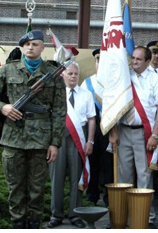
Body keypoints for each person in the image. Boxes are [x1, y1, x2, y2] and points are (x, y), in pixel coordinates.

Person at [0, 30, 67, 229]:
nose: (30, 47)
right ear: (21, 47)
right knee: (15, 188)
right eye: (26, 45)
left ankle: (34, 225)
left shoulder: (52, 73)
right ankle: (17, 224)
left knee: (37, 190)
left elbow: (60, 110)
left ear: (43, 47)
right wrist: (3, 107)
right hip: (13, 138)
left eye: (35, 44)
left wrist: (55, 142)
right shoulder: (8, 70)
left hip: (41, 139)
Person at [109, 46, 158, 228]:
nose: (134, 61)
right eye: (133, 58)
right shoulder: (124, 77)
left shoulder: (156, 79)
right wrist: (113, 131)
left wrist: (155, 135)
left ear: (148, 61)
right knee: (123, 176)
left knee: (144, 176)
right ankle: (122, 217)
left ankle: (146, 217)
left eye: (138, 59)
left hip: (145, 133)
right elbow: (113, 103)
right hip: (124, 131)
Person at [48, 62, 96, 228]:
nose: (73, 76)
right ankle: (56, 215)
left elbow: (91, 119)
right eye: (70, 73)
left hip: (79, 138)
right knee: (57, 178)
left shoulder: (86, 94)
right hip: (59, 138)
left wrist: (90, 140)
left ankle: (75, 214)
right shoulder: (55, 94)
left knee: (77, 178)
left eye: (76, 73)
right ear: (63, 75)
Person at [84, 48, 113, 206]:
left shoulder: (114, 82)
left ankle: (109, 197)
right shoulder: (87, 83)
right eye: (98, 60)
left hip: (110, 130)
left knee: (109, 166)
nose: (100, 63)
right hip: (93, 131)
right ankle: (92, 196)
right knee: (93, 164)